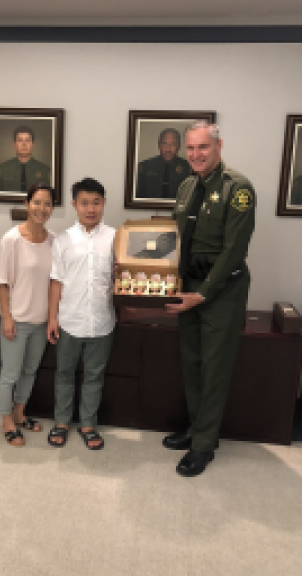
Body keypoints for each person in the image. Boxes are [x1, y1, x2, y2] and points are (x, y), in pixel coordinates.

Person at [164, 121, 256, 477]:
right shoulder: (187, 186)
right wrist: (168, 281)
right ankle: (196, 428)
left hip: (220, 292)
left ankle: (204, 445)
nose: (195, 155)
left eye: (202, 147)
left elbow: (235, 250)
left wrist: (202, 294)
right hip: (188, 286)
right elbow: (176, 238)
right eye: (190, 148)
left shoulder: (239, 189)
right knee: (192, 363)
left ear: (219, 146)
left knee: (215, 369)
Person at [47, 177, 115, 450]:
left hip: (102, 321)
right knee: (64, 373)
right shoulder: (62, 240)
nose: (91, 208)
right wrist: (52, 318)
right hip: (69, 321)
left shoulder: (115, 237)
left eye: (96, 202)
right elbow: (56, 281)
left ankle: (88, 424)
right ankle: (62, 422)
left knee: (94, 376)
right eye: (85, 202)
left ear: (104, 204)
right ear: (75, 205)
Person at [0, 182, 55, 446]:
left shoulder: (54, 240)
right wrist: (6, 316)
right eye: (37, 202)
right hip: (16, 320)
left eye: (47, 203)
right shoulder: (12, 239)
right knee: (10, 374)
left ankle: (20, 413)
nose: (41, 208)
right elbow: (1, 282)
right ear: (27, 204)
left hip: (41, 321)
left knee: (30, 371)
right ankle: (6, 419)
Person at [135, 128, 191, 199]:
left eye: (173, 144)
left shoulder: (188, 168)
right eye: (164, 144)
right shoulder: (144, 167)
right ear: (159, 145)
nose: (168, 149)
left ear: (178, 146)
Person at [0, 126, 50, 192]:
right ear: (15, 145)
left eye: (27, 140)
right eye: (20, 140)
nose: (24, 144)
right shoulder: (2, 170)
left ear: (33, 145)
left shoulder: (45, 171)